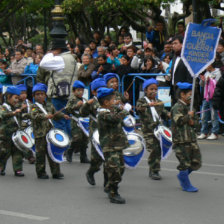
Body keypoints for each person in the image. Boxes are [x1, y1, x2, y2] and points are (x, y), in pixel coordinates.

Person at [40, 38, 78, 137]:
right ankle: (69, 144)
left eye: (53, 49)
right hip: (69, 93)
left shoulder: (60, 59)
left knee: (59, 121)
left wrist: (49, 54)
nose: (52, 52)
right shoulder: (71, 58)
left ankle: (63, 145)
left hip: (58, 93)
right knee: (67, 120)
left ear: (58, 49)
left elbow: (43, 64)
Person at [31, 83, 69, 179]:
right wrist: (45, 116)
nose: (40, 96)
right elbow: (34, 116)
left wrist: (63, 115)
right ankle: (41, 172)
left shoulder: (49, 106)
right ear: (34, 96)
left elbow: (55, 114)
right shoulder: (34, 107)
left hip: (50, 134)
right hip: (40, 135)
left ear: (45, 95)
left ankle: (56, 172)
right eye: (37, 94)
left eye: (42, 94)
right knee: (40, 155)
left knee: (53, 152)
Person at [97, 87, 129, 204]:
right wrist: (125, 111)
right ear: (106, 102)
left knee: (120, 168)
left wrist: (122, 107)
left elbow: (117, 111)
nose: (115, 101)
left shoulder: (110, 110)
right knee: (115, 169)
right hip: (109, 146)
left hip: (117, 144)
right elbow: (115, 118)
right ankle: (113, 192)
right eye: (113, 99)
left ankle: (109, 184)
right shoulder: (102, 113)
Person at [136, 78, 170, 180]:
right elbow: (139, 107)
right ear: (146, 90)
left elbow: (164, 114)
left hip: (158, 131)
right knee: (152, 150)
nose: (154, 91)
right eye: (151, 89)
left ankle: (155, 169)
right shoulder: (142, 100)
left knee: (158, 150)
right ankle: (153, 170)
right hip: (148, 131)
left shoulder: (159, 102)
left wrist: (170, 114)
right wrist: (148, 105)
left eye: (155, 89)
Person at [171, 82, 201, 192]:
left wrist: (193, 122)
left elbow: (198, 123)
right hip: (181, 140)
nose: (191, 96)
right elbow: (179, 121)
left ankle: (182, 176)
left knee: (196, 162)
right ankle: (185, 183)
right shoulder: (177, 107)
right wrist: (189, 116)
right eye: (189, 94)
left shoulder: (190, 107)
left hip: (191, 138)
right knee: (184, 163)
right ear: (182, 95)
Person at [79, 78, 107, 185]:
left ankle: (107, 183)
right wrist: (86, 104)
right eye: (99, 89)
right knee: (96, 159)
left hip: (108, 133)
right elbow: (82, 113)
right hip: (96, 133)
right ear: (94, 92)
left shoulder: (108, 100)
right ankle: (91, 171)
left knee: (108, 159)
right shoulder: (92, 102)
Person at [0, 86, 25, 176]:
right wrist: (13, 113)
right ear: (8, 97)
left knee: (17, 152)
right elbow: (3, 115)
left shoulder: (17, 107)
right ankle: (1, 168)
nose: (17, 100)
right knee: (4, 152)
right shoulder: (3, 107)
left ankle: (18, 169)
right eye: (15, 98)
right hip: (5, 135)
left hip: (15, 134)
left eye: (18, 98)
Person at [65, 80, 90, 163]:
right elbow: (67, 109)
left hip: (84, 122)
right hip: (76, 122)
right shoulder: (72, 99)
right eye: (78, 90)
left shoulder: (84, 100)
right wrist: (76, 106)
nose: (80, 92)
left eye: (82, 90)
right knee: (77, 138)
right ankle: (70, 151)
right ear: (74, 91)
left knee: (85, 139)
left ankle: (83, 156)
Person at [198, 63, 221, 140]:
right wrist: (203, 80)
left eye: (207, 65)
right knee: (203, 116)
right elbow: (201, 84)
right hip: (206, 97)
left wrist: (210, 80)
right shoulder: (206, 73)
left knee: (214, 115)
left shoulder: (218, 72)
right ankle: (204, 132)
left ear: (211, 64)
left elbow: (218, 83)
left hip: (214, 97)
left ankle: (215, 132)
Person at [16, 84, 35, 164]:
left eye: (25, 93)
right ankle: (30, 156)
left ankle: (26, 154)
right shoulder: (16, 103)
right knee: (23, 141)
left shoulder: (28, 102)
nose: (23, 95)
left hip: (29, 124)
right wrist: (20, 109)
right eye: (21, 93)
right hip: (19, 125)